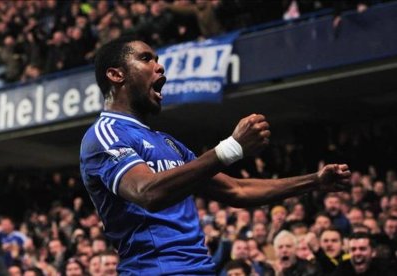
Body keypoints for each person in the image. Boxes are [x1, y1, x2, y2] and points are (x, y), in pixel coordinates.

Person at [79, 39, 351, 274]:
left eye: (158, 59)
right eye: (146, 58)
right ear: (116, 75)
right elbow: (147, 192)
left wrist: (314, 181)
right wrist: (230, 148)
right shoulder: (104, 134)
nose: (159, 66)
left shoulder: (170, 144)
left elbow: (237, 190)